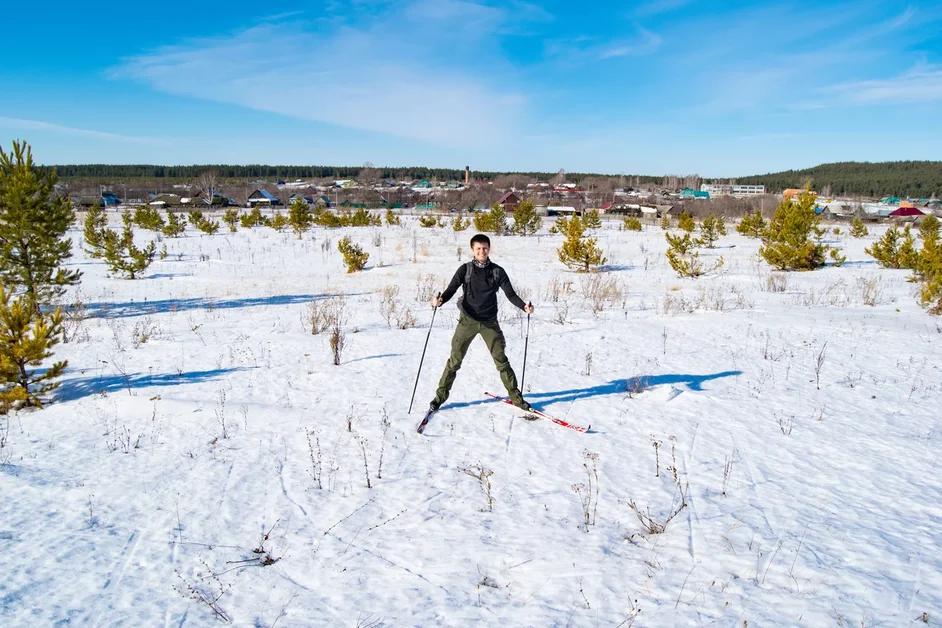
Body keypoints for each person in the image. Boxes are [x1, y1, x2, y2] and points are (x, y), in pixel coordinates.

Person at [428, 233, 535, 413]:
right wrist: (439, 301)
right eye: (478, 248)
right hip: (467, 320)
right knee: (454, 361)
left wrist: (524, 306)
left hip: (489, 322)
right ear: (473, 250)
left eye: (484, 248)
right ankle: (439, 398)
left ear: (489, 248)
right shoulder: (465, 270)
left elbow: (510, 294)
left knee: (501, 361)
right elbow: (451, 289)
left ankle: (517, 398)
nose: (481, 251)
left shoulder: (497, 271)